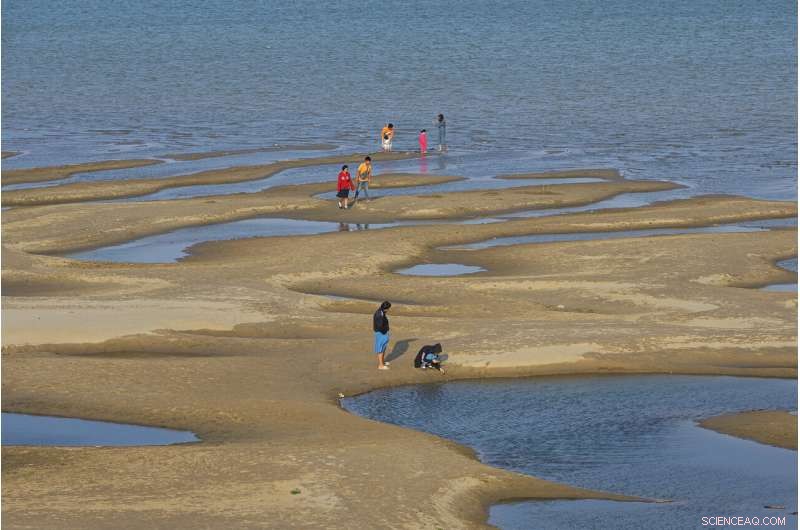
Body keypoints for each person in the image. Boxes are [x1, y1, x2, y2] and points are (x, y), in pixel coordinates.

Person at [373, 301, 391, 370]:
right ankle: (380, 365)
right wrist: (385, 332)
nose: (388, 310)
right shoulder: (379, 314)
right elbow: (379, 326)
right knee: (380, 349)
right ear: (386, 308)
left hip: (383, 333)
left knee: (383, 347)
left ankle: (382, 362)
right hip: (380, 333)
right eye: (388, 308)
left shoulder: (382, 312)